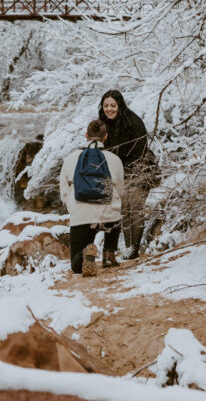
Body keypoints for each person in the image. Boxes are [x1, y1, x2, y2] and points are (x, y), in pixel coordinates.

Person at [59, 118, 124, 276]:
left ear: (86, 135)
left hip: (81, 216)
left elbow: (63, 191)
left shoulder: (72, 158)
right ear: (105, 137)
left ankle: (84, 254)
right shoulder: (115, 159)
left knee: (76, 267)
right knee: (115, 217)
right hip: (109, 215)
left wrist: (73, 206)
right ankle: (109, 253)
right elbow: (120, 191)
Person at [99, 89, 151, 260]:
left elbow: (140, 149)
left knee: (135, 208)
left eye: (113, 105)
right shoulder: (103, 124)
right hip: (118, 173)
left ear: (119, 105)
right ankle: (129, 248)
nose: (109, 109)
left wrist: (129, 171)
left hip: (139, 169)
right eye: (106, 105)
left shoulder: (133, 122)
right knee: (123, 210)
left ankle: (133, 249)